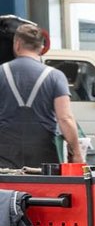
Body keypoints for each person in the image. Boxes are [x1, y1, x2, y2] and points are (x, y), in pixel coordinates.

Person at [0, 18, 82, 170]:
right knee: (43, 186)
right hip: (44, 159)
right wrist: (76, 153)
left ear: (17, 44)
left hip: (4, 157)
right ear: (41, 47)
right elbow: (65, 118)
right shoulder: (55, 76)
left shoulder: (1, 72)